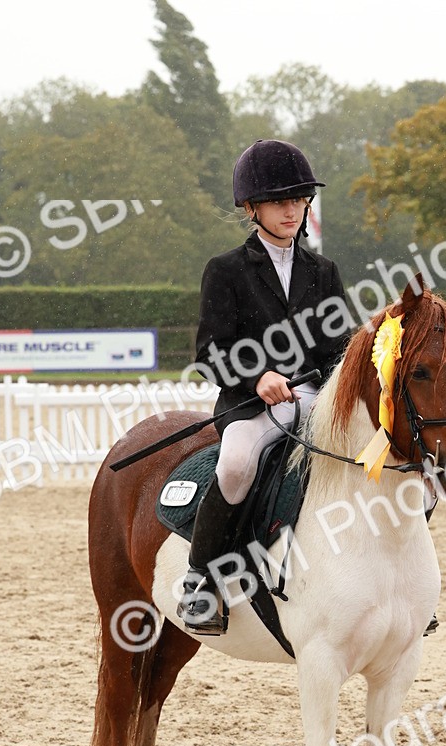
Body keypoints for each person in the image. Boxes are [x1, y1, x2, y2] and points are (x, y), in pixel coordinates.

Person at [177, 139, 350, 634]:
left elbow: (338, 348)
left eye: (298, 200)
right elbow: (211, 352)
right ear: (252, 208)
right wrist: (258, 376)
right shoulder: (226, 270)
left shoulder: (324, 272)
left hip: (315, 401)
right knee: (235, 466)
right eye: (279, 202)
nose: (291, 211)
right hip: (250, 404)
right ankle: (201, 581)